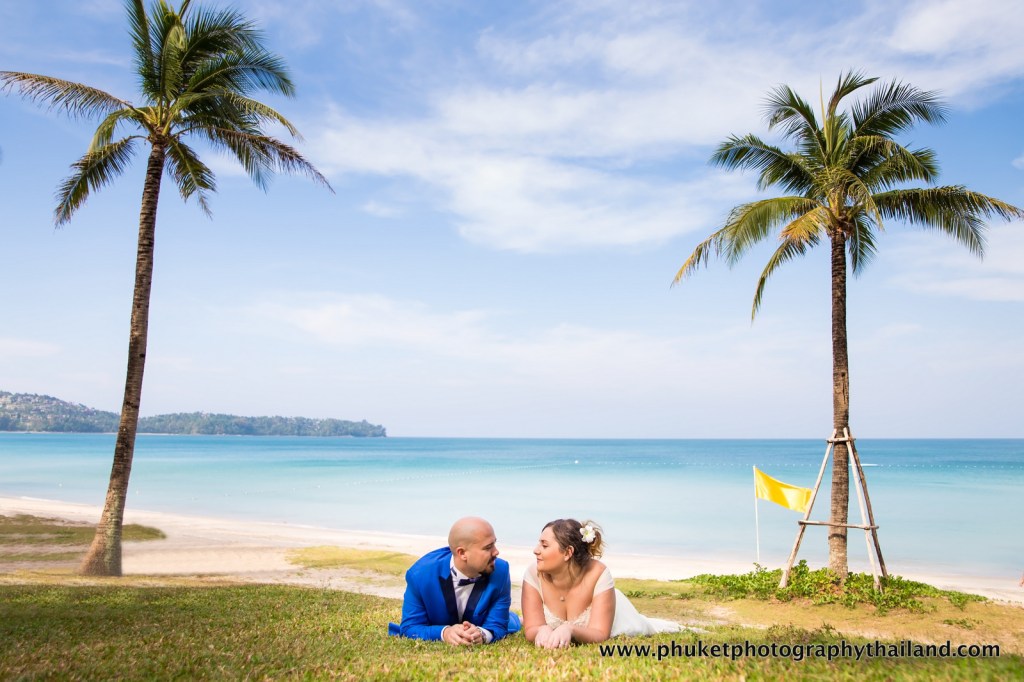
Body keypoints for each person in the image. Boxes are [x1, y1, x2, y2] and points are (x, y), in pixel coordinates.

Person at [521, 518, 682, 648]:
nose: (536, 550)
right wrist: (541, 630)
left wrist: (570, 629)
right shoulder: (533, 574)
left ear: (568, 552)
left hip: (617, 615)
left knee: (642, 627)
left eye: (544, 545)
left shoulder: (598, 574)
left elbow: (600, 633)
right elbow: (531, 628)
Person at [388, 516, 520, 645]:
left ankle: (519, 619)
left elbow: (497, 625)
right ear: (462, 553)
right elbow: (410, 627)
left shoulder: (500, 570)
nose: (496, 552)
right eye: (488, 547)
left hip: (484, 619)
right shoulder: (420, 575)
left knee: (512, 622)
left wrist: (482, 634)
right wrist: (444, 633)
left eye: (494, 544)